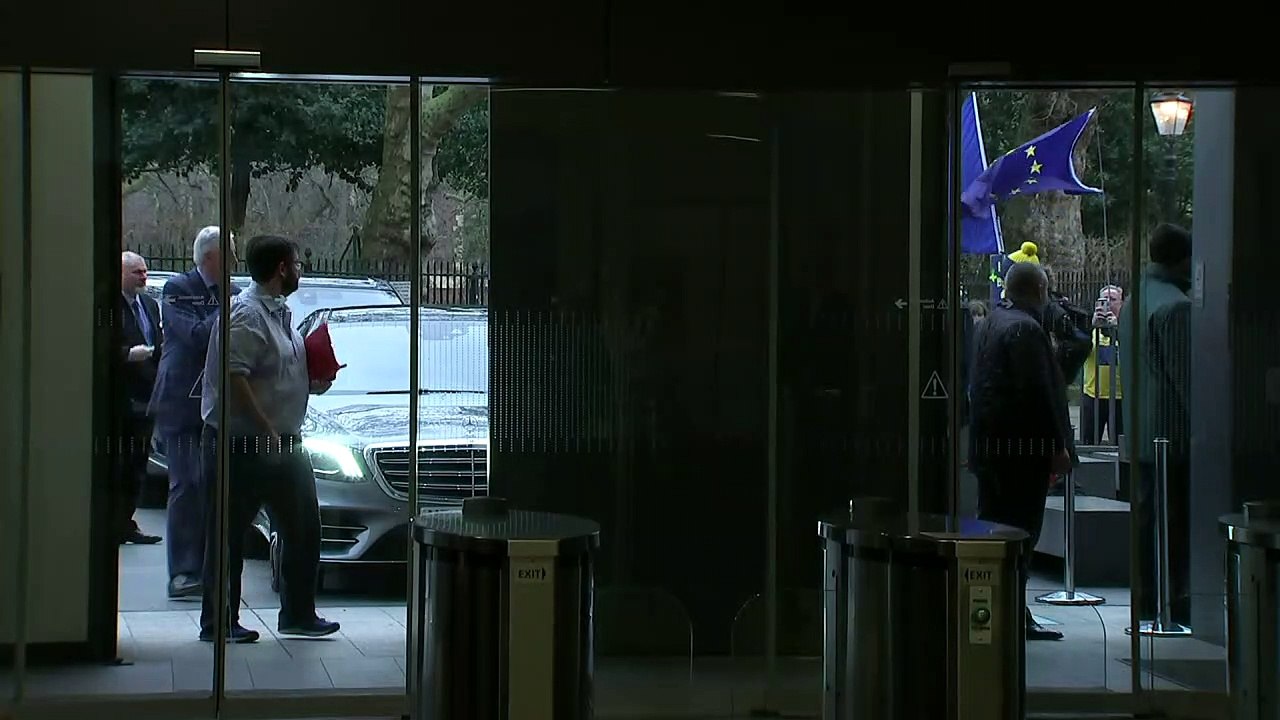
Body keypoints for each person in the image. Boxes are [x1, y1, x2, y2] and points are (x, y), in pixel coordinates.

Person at [197, 235, 339, 643]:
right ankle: (219, 622)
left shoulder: (279, 315)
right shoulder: (246, 314)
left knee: (303, 527)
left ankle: (297, 614)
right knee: (227, 535)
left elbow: (271, 374)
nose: (300, 270)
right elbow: (234, 377)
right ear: (281, 268)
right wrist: (266, 428)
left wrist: (312, 383)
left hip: (283, 442)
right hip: (242, 443)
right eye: (297, 263)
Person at [969, 262, 1073, 641]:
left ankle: (1002, 608)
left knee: (996, 529)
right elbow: (1038, 396)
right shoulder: (1027, 331)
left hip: (992, 449)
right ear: (1041, 291)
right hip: (1021, 454)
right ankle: (1013, 611)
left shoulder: (991, 323)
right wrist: (1056, 447)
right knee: (1021, 534)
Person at [148, 226, 236, 599]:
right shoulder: (177, 289)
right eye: (229, 253)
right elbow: (197, 335)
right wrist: (231, 313)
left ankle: (208, 568)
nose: (234, 261)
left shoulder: (230, 294)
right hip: (181, 403)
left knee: (214, 488)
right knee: (187, 483)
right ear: (212, 257)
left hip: (215, 406)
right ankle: (182, 573)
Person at [1119, 223, 1192, 627]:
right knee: (1173, 524)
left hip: (1143, 431)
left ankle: (1147, 597)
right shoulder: (1175, 306)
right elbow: (1187, 382)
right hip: (1171, 435)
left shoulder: (1136, 300)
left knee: (1150, 519)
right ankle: (1169, 599)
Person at [117, 252, 164, 545]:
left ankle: (126, 522)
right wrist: (126, 355)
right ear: (121, 273)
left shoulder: (149, 304)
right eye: (137, 272)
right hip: (123, 395)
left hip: (148, 394)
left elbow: (158, 342)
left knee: (138, 464)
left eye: (145, 272)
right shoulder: (111, 306)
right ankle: (113, 522)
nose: (143, 278)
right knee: (119, 463)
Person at [1082, 285, 1124, 445]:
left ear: (1121, 304)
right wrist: (1091, 327)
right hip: (1093, 396)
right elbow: (1078, 352)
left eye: (1113, 300)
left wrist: (1117, 330)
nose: (1108, 304)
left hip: (1120, 397)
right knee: (1089, 444)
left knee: (1120, 446)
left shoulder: (1126, 329)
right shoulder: (1090, 329)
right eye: (1103, 301)